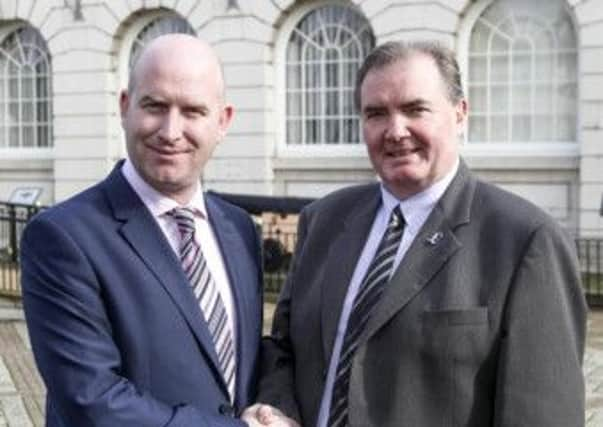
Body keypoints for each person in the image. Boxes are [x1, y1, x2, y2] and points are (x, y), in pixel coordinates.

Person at [249, 40, 587, 426]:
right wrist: (275, 406)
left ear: (460, 114)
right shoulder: (323, 220)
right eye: (376, 113)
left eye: (415, 109)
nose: (395, 131)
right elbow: (284, 350)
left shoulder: (526, 241)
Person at [21, 34, 264, 426]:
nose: (170, 131)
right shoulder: (62, 237)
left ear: (223, 121)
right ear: (124, 107)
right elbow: (93, 400)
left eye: (193, 111)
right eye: (154, 106)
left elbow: (244, 367)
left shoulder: (239, 229)